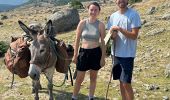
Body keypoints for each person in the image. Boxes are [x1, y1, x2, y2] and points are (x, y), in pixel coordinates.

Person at [107, 0, 141, 100]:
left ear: (127, 1)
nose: (121, 0)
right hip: (115, 54)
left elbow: (134, 36)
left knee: (126, 83)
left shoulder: (133, 14)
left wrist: (120, 29)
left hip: (127, 54)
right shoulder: (113, 16)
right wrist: (113, 35)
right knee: (121, 82)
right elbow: (111, 36)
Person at [72, 2, 106, 100]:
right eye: (91, 9)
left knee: (93, 78)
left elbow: (103, 42)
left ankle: (90, 97)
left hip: (96, 53)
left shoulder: (101, 25)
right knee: (79, 78)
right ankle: (74, 97)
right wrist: (75, 55)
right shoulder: (82, 23)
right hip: (83, 53)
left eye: (96, 10)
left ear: (99, 11)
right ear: (88, 10)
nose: (93, 12)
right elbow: (77, 39)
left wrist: (103, 58)